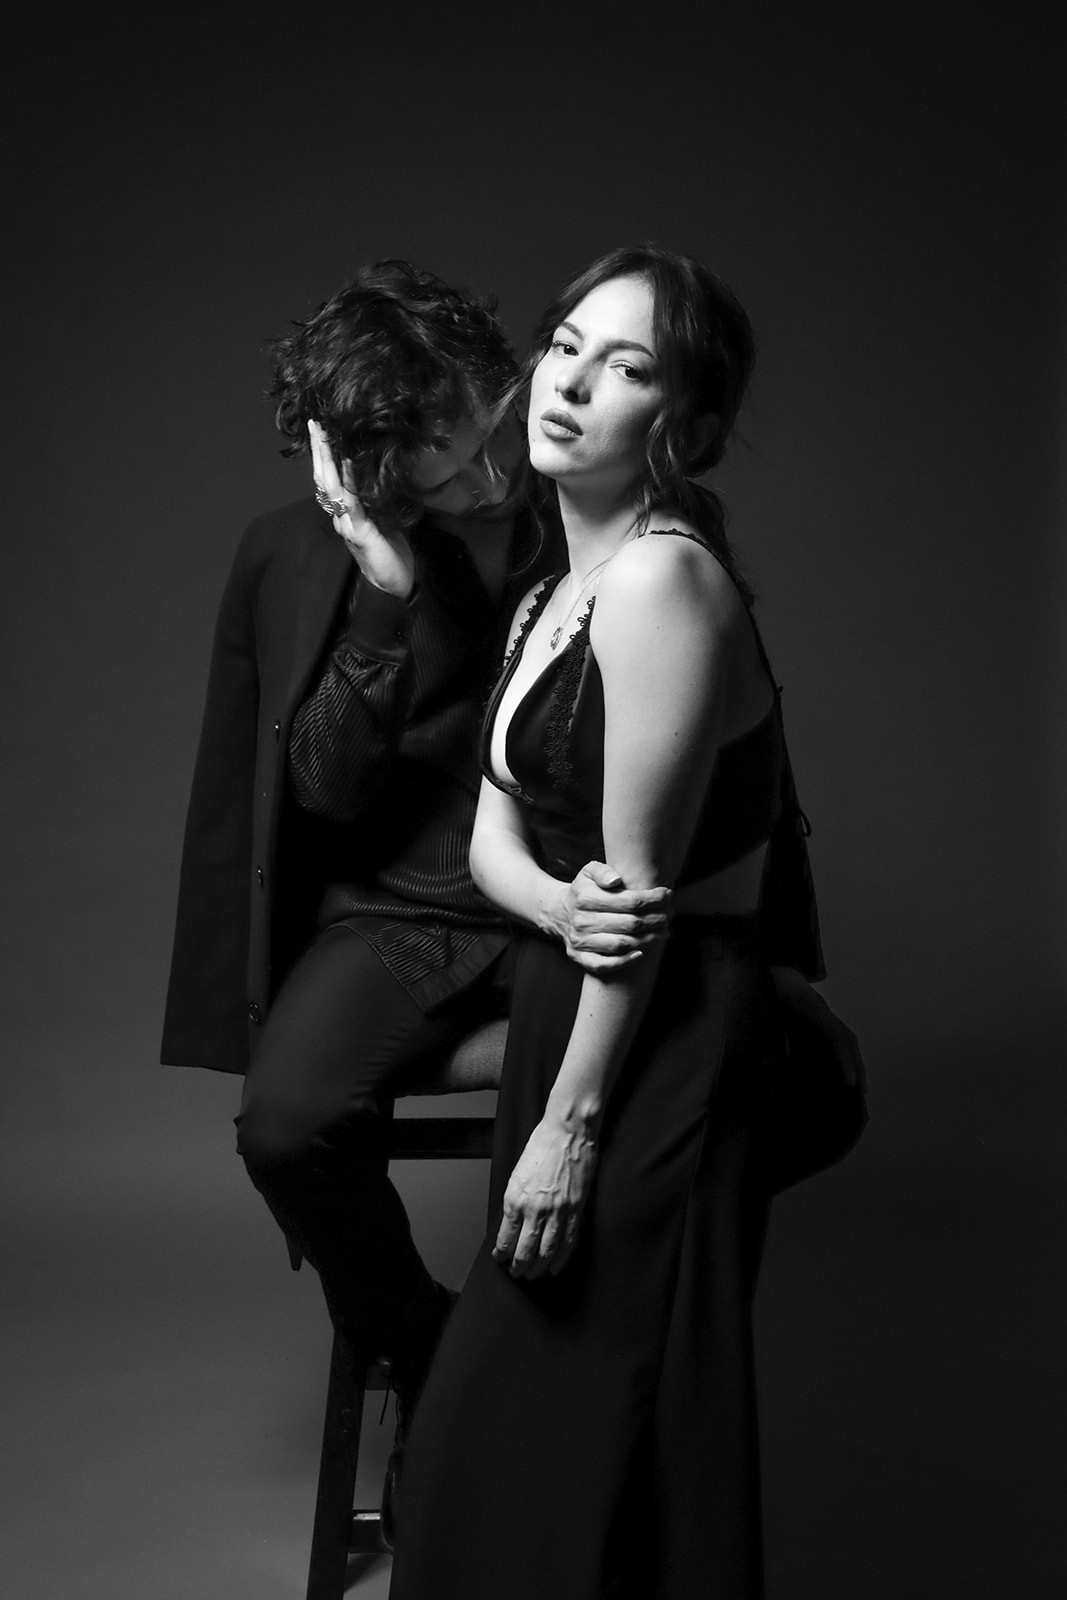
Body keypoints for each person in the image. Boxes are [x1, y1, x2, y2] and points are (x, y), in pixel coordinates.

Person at [160, 260, 671, 1543]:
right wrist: (383, 594)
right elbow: (320, 790)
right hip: (398, 915)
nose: (484, 466)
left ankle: (596, 1436)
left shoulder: (587, 503)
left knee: (670, 1068)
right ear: (369, 463)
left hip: (566, 892)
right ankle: (437, 1359)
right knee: (284, 1126)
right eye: (441, 462)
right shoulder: (293, 555)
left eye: (483, 421)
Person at [388, 245, 860, 1599]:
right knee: (575, 1432)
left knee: (599, 1413)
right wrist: (557, 900)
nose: (572, 382)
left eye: (628, 366)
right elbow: (496, 837)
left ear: (684, 425)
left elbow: (642, 908)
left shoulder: (659, 583)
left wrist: (569, 1128)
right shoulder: (552, 588)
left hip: (660, 1039)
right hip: (580, 1000)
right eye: (565, 346)